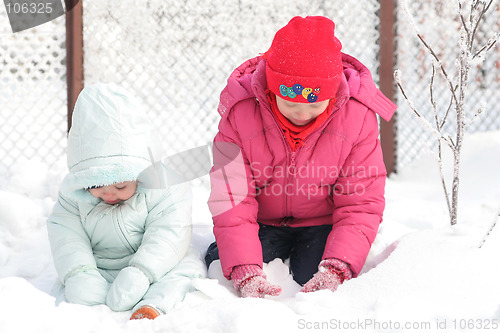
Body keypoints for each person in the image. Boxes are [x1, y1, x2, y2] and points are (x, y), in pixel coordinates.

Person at [205, 16, 396, 298]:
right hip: (263, 222)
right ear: (271, 88)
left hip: (322, 223)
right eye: (290, 103)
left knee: (314, 279)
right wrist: (245, 267)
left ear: (332, 95)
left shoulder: (357, 117)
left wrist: (337, 266)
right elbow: (232, 195)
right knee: (223, 260)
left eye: (315, 104)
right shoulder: (241, 112)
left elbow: (361, 201)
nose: (302, 114)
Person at [47, 83, 205, 319]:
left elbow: (168, 233)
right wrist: (80, 272)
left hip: (157, 266)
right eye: (95, 186)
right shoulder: (72, 195)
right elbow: (66, 234)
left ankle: (152, 306)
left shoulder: (166, 188)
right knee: (74, 287)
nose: (109, 194)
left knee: (184, 271)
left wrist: (142, 271)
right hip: (99, 267)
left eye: (120, 186)